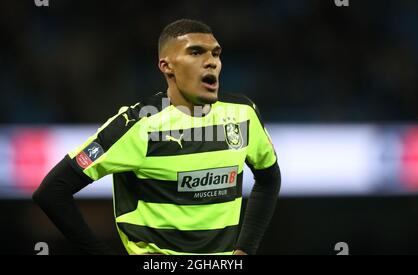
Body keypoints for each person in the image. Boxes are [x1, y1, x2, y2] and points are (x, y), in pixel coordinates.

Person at [32, 19, 281, 255]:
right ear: (166, 66)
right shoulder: (137, 126)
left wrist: (246, 247)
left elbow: (269, 179)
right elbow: (52, 191)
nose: (211, 62)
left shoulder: (242, 114)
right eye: (196, 53)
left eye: (215, 53)